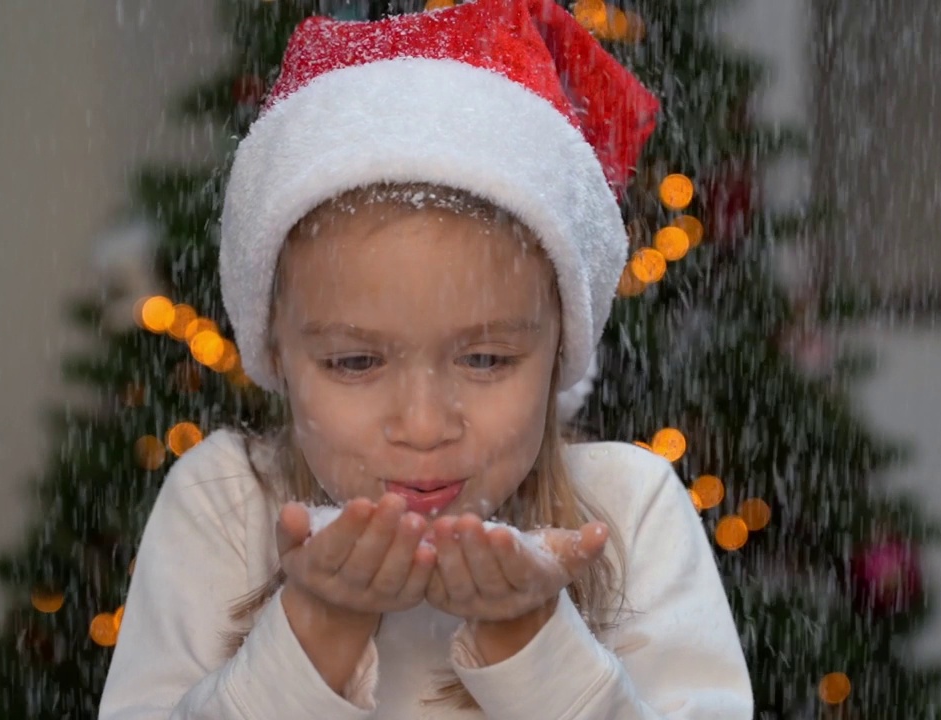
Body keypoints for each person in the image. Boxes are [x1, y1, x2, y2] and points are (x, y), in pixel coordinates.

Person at [98, 0, 752, 717]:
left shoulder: (631, 515)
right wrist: (315, 629)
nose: (424, 424)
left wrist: (532, 639)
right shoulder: (224, 507)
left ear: (560, 346)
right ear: (278, 354)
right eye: (354, 363)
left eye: (486, 359)